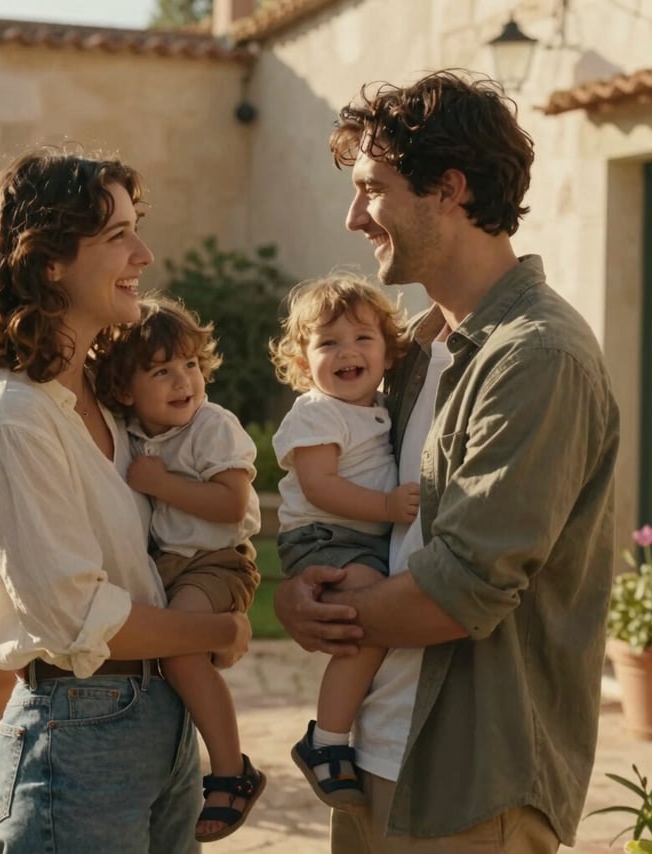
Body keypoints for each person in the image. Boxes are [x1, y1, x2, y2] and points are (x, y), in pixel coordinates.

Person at [273, 70, 620, 854]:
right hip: (371, 752)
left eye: (374, 188)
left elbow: (462, 590)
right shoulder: (415, 353)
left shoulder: (538, 356)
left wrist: (319, 613)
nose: (354, 215)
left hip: (469, 780)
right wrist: (297, 589)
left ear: (450, 189)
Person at [0, 145, 253, 854]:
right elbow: (77, 615)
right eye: (116, 236)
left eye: (137, 227)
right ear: (48, 262)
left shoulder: (108, 408)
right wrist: (215, 633)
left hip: (159, 719)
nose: (144, 252)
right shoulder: (13, 415)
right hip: (79, 733)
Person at [92, 295, 266, 843]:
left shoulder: (212, 426)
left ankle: (232, 770)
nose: (182, 380)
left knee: (180, 649)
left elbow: (232, 505)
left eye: (189, 365)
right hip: (170, 566)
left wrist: (160, 483)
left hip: (218, 562)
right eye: (161, 371)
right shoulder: (131, 430)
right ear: (124, 391)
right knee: (166, 653)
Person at [268, 273, 418, 808]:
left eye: (362, 339)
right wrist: (385, 506)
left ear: (387, 350)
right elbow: (319, 485)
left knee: (372, 623)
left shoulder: (376, 406)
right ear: (303, 360)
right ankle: (326, 740)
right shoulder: (317, 411)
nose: (346, 352)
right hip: (326, 538)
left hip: (360, 538)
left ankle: (335, 735)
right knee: (366, 624)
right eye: (327, 342)